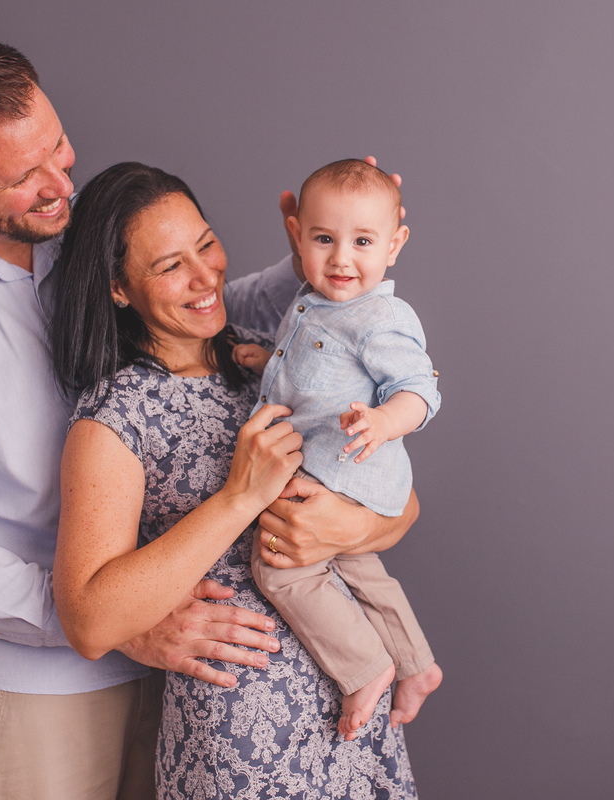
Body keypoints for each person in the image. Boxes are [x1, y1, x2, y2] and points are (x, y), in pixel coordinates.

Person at [0, 29, 408, 800]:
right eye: (22, 176)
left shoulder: (79, 233)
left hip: (189, 664)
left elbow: (197, 316)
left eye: (59, 151)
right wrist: (107, 619)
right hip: (33, 677)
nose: (55, 186)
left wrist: (329, 238)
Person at [50, 162, 421, 800]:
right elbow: (88, 620)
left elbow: (402, 502)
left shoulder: (268, 355)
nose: (205, 277)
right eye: (170, 266)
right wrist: (239, 498)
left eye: (206, 244)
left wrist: (351, 526)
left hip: (357, 711)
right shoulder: (117, 414)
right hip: (243, 738)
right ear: (118, 288)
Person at [233, 159, 444, 741]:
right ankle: (417, 666)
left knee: (279, 568)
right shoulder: (313, 300)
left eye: (363, 242)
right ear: (297, 236)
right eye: (323, 239)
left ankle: (365, 667)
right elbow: (307, 369)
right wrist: (264, 361)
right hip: (345, 473)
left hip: (348, 470)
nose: (341, 259)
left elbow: (421, 391)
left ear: (395, 244)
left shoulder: (382, 316)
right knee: (358, 569)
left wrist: (384, 421)